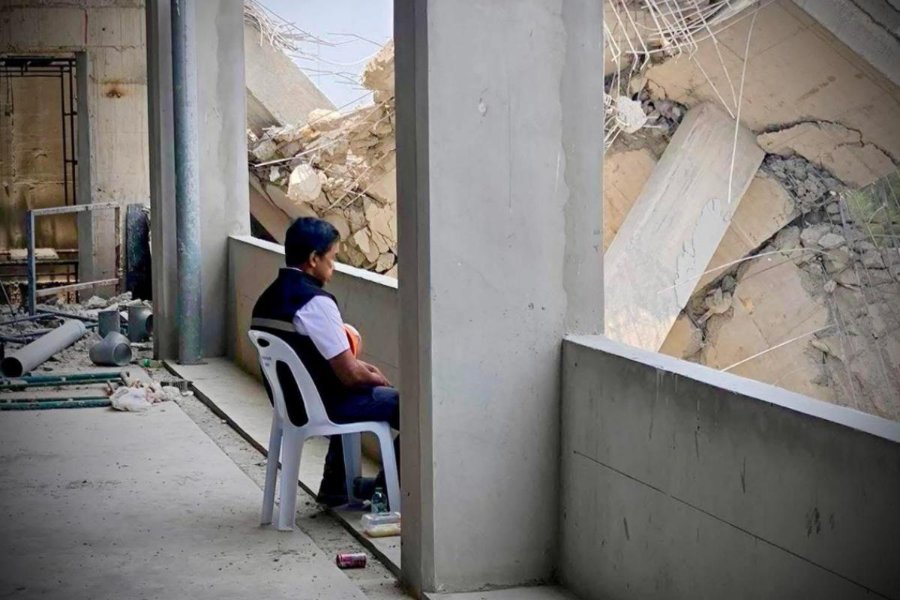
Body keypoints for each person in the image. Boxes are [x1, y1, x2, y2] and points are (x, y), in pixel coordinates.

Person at [251, 217, 399, 507]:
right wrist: (377, 379)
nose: (334, 266)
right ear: (313, 259)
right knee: (409, 408)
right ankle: (385, 489)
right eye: (332, 258)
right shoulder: (316, 302)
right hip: (321, 405)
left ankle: (336, 487)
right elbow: (349, 375)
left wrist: (361, 371)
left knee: (359, 391)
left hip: (290, 404)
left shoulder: (267, 298)